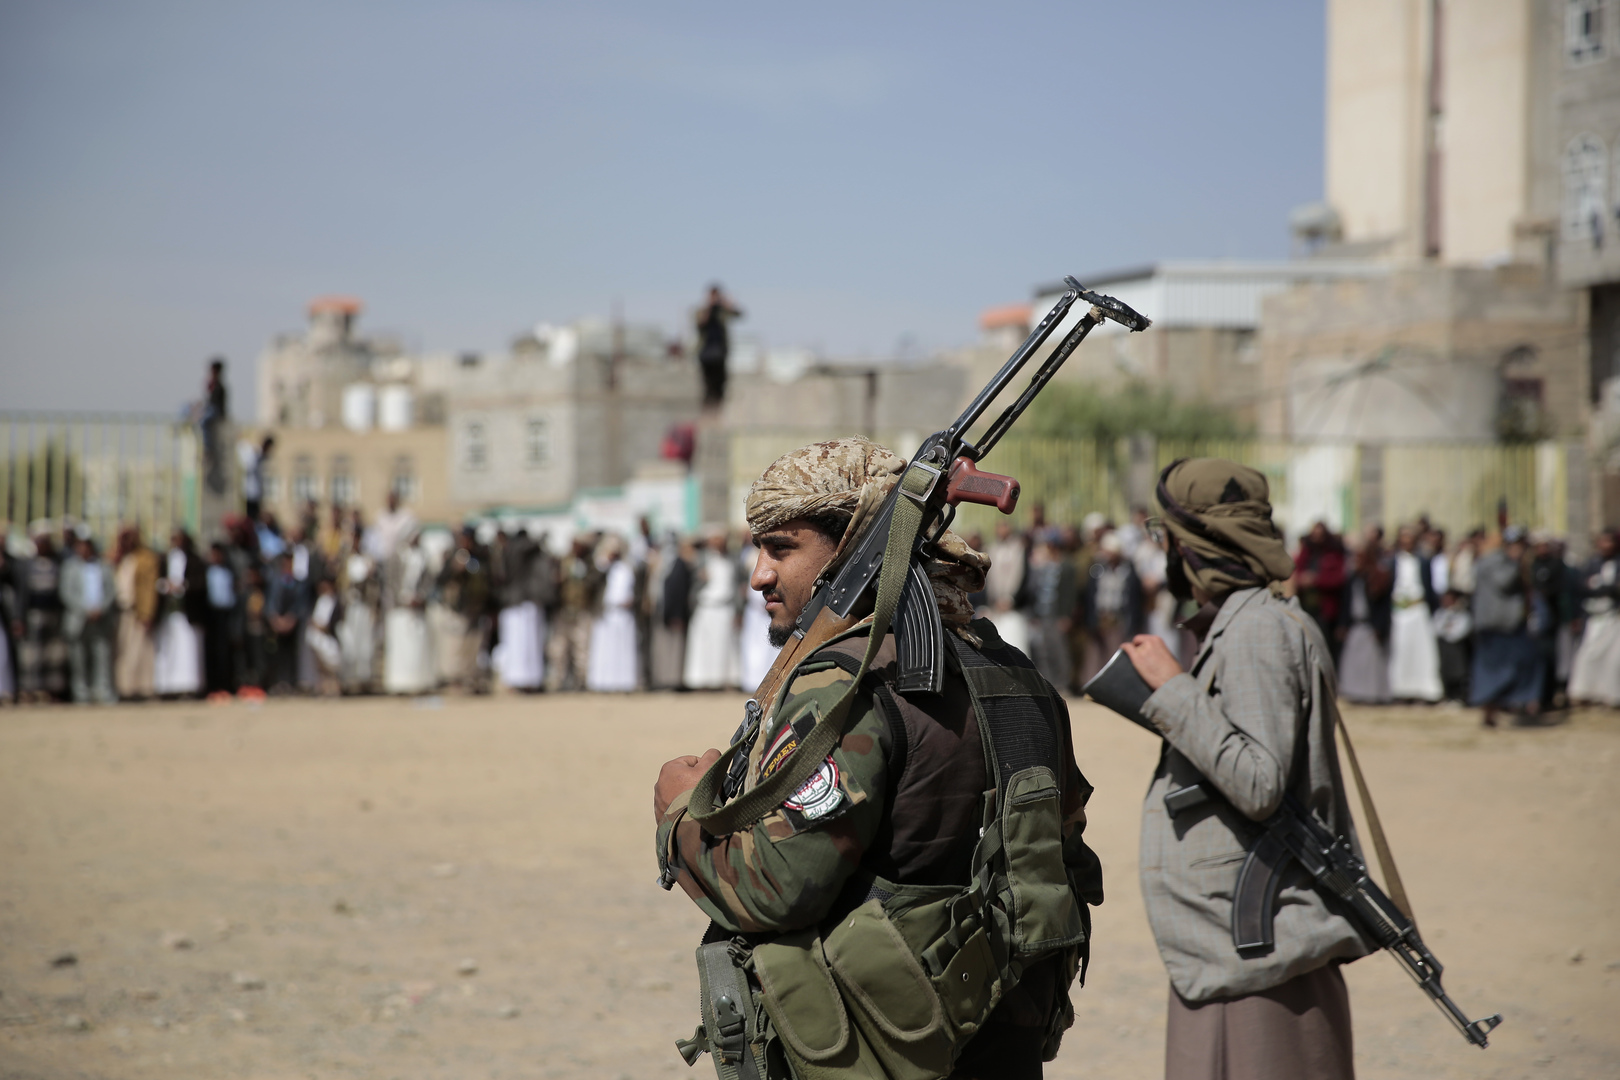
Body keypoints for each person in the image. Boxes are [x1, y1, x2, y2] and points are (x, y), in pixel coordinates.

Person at [653, 437, 1103, 1080]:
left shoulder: (846, 683)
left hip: (884, 1048)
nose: (758, 574)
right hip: (999, 1044)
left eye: (782, 548)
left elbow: (775, 889)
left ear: (853, 551)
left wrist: (679, 807)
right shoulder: (1012, 671)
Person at [1117, 458, 1369, 1080]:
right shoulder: (1249, 622)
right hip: (1234, 950)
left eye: (1166, 536)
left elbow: (1258, 782)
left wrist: (1173, 691)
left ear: (1189, 545)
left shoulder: (1257, 629)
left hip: (1261, 957)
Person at [1471, 527, 1544, 727]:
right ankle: (1490, 711)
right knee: (1493, 671)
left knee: (1523, 664)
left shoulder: (1502, 561)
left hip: (1511, 625)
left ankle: (1517, 705)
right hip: (1496, 625)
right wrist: (1516, 560)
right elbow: (1504, 581)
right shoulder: (1494, 561)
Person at [1337, 526, 1393, 704]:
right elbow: (1346, 604)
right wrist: (1343, 624)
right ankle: (1355, 693)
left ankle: (1373, 695)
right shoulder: (1353, 579)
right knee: (1354, 662)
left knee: (1372, 664)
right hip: (1356, 625)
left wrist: (1379, 627)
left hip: (1371, 626)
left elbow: (1383, 606)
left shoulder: (1378, 578)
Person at [1387, 525, 1442, 702]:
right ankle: (1401, 690)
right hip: (1399, 613)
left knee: (1422, 651)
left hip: (1418, 610)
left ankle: (1424, 690)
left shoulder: (1423, 561)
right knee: (1401, 650)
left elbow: (1430, 588)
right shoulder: (1392, 561)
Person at [61, 535, 117, 704]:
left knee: (102, 657)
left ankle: (103, 691)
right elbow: (66, 593)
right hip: (78, 620)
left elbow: (111, 591)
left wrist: (101, 609)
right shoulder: (69, 567)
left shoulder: (104, 566)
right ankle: (81, 694)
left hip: (101, 618)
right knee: (79, 660)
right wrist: (85, 610)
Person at [1567, 528, 1620, 707]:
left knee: (1613, 659)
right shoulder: (1592, 563)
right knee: (1587, 654)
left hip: (1614, 616)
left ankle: (1610, 695)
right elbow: (1582, 586)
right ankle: (1585, 692)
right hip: (1594, 616)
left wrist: (1606, 587)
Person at [683, 529, 740, 690]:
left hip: (724, 608)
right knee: (704, 646)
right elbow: (692, 583)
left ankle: (724, 680)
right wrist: (700, 578)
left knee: (724, 645)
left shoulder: (732, 561)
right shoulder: (702, 560)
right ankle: (703, 681)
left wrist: (738, 609)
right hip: (706, 608)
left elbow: (736, 586)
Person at [546, 536, 603, 692]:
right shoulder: (564, 562)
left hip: (582, 611)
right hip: (563, 611)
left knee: (582, 649)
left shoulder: (590, 564)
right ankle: (559, 681)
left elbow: (594, 584)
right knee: (559, 649)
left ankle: (582, 681)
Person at [153, 530, 205, 698]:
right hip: (168, 613)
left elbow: (199, 584)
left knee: (188, 650)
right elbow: (157, 582)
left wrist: (182, 587)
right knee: (168, 649)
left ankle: (188, 686)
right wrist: (165, 586)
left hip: (187, 613)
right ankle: (167, 686)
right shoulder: (165, 560)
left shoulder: (195, 560)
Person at [17, 531, 68, 703]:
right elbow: (22, 594)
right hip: (34, 614)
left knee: (53, 654)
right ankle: (31, 690)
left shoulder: (57, 563)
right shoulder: (27, 565)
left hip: (53, 614)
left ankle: (52, 690)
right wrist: (19, 618)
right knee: (32, 655)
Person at [383, 527, 435, 695]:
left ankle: (418, 682)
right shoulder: (397, 557)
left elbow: (428, 583)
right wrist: (403, 598)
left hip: (417, 608)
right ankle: (399, 683)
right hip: (399, 609)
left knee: (417, 648)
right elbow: (391, 582)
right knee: (400, 648)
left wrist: (420, 597)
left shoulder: (424, 557)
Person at [586, 535, 638, 691]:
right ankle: (603, 682)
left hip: (623, 615)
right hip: (606, 613)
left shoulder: (627, 568)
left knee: (622, 649)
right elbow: (591, 583)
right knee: (605, 649)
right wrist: (604, 563)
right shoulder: (600, 568)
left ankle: (623, 682)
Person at [113, 527, 160, 699]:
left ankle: (141, 689)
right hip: (121, 613)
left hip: (138, 612)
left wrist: (147, 613)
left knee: (140, 652)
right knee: (123, 652)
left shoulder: (146, 558)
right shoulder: (119, 558)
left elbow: (148, 588)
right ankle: (124, 689)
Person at [1292, 521, 1347, 663]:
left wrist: (1316, 580)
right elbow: (1296, 570)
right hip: (1307, 606)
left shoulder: (1334, 553)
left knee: (1325, 647)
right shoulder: (1307, 552)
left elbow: (1338, 578)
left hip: (1325, 610)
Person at [734, 533, 780, 692]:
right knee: (752, 646)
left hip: (770, 610)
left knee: (771, 647)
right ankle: (751, 682)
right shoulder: (748, 556)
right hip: (754, 611)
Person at [649, 534, 693, 690]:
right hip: (660, 613)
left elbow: (680, 592)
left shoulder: (679, 564)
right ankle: (662, 680)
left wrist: (677, 614)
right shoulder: (660, 564)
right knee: (661, 649)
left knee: (675, 650)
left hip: (674, 615)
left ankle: (674, 681)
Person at [694, 283, 742, 407]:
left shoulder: (723, 311)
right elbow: (700, 323)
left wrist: (727, 304)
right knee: (708, 384)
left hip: (720, 352)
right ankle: (708, 410)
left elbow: (739, 314)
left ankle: (718, 410)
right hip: (706, 352)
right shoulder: (702, 310)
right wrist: (710, 306)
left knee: (720, 383)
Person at [202, 541, 239, 699]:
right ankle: (212, 686)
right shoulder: (207, 572)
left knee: (226, 652)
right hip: (211, 615)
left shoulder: (229, 571)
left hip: (227, 615)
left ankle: (227, 685)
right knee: (212, 651)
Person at [239, 434, 274, 521]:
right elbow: (248, 467)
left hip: (256, 494)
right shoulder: (254, 453)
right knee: (249, 517)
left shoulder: (261, 456)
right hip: (249, 493)